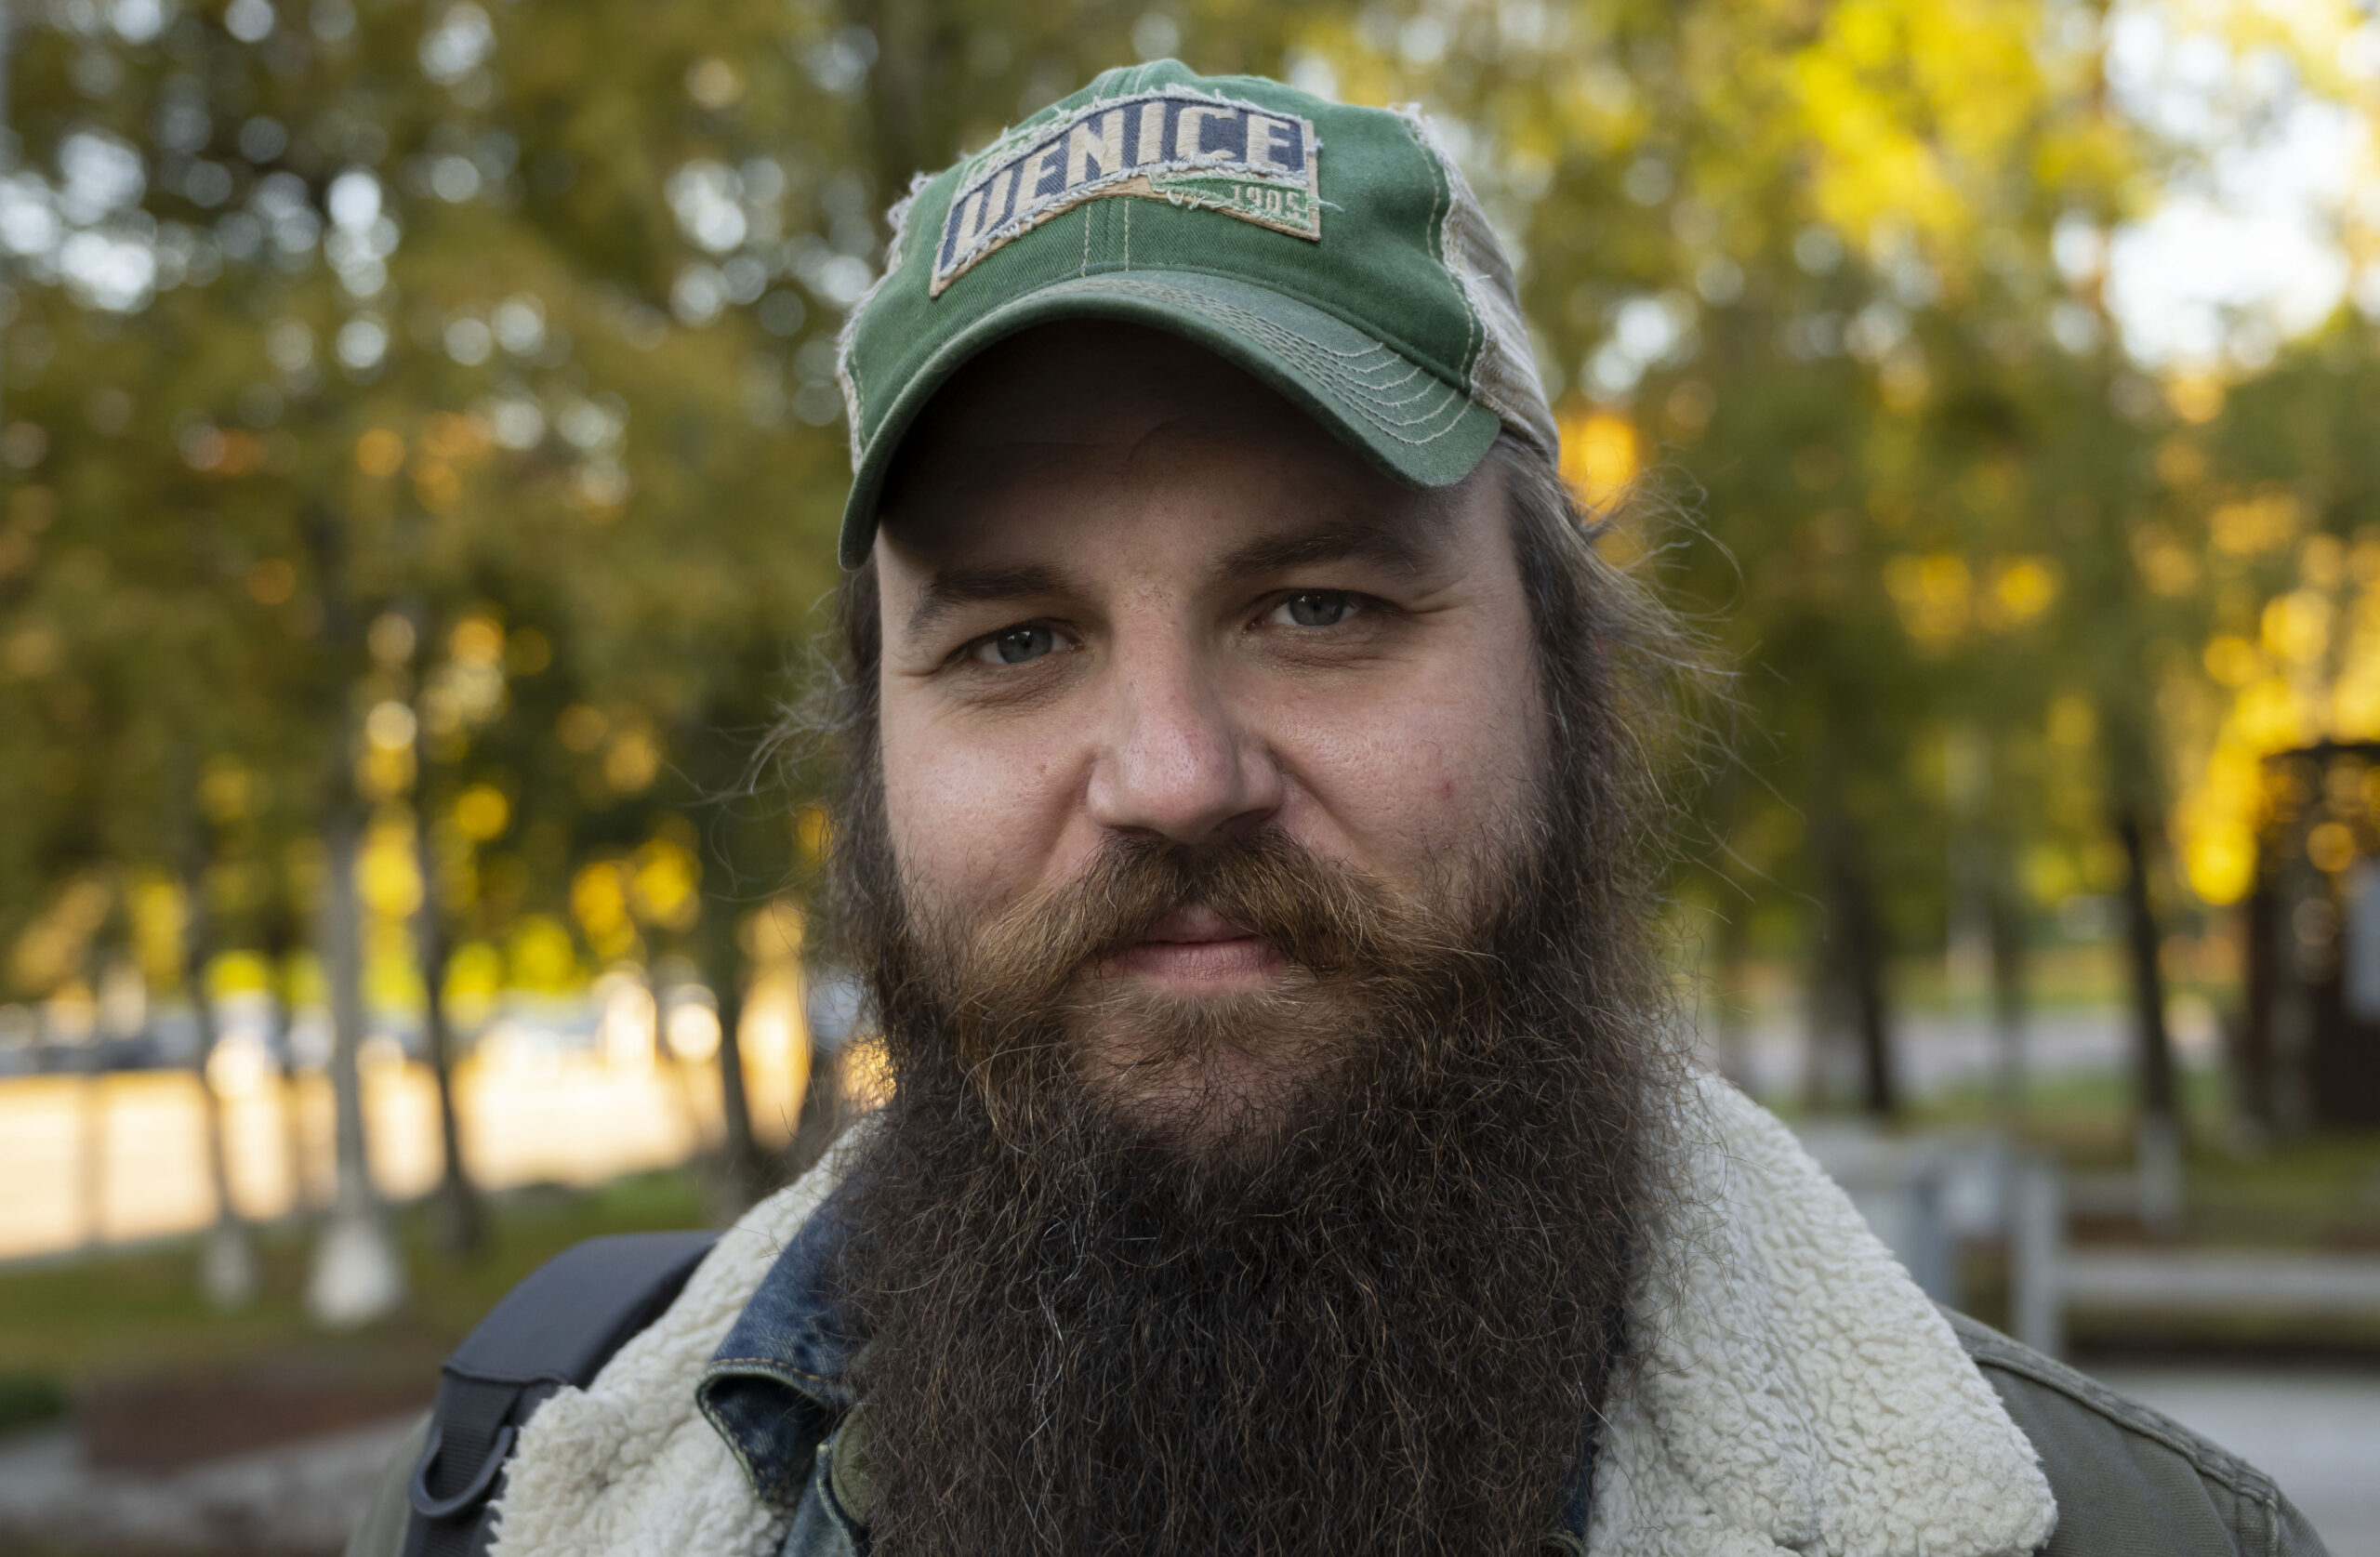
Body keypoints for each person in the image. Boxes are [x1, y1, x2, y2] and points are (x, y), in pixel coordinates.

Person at [349, 59, 2327, 1557]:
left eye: (1318, 605)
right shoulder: (516, 1503)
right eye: (1014, 643)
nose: (1171, 775)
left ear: (1561, 676)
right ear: (871, 755)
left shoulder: (2124, 1535)